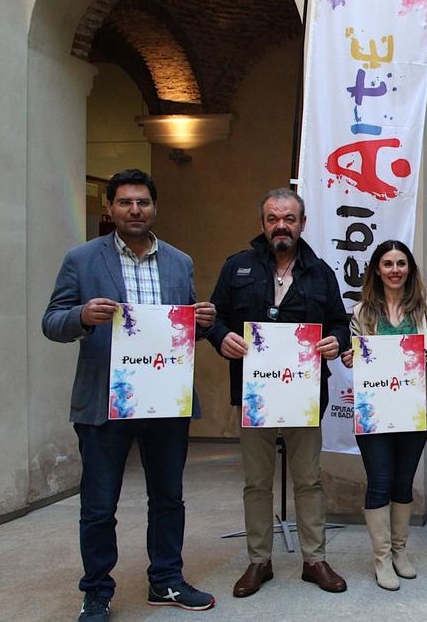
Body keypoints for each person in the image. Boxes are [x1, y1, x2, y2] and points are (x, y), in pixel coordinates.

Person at [43, 169, 216, 621]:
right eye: (125, 202)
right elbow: (52, 322)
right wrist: (81, 315)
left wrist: (202, 323)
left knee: (168, 498)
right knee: (99, 505)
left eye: (142, 202)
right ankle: (97, 592)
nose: (134, 210)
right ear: (110, 208)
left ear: (154, 208)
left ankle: (167, 580)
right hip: (104, 401)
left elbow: (180, 330)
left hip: (164, 399)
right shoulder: (81, 260)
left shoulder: (180, 261)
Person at [207, 188, 351, 597]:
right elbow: (212, 320)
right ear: (263, 223)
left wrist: (335, 342)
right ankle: (258, 561)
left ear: (302, 223)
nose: (281, 226)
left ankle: (314, 560)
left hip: (304, 395)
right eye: (273, 218)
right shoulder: (237, 267)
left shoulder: (320, 272)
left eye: (289, 218)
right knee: (257, 480)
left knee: (308, 480)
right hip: (255, 396)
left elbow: (340, 324)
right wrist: (222, 338)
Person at [340, 240, 427, 591]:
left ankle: (400, 552)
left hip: (414, 409)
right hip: (374, 412)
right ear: (377, 270)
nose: (395, 270)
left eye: (401, 263)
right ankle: (381, 558)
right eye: (388, 264)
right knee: (380, 481)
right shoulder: (359, 313)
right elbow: (350, 355)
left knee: (402, 482)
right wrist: (349, 358)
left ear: (409, 268)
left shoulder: (426, 310)